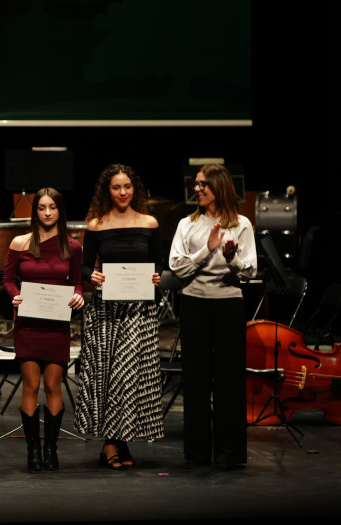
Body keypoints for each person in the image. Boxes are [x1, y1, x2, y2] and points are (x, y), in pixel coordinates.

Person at [73, 164, 164, 470]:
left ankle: (114, 443)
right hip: (105, 310)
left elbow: (160, 266)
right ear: (107, 191)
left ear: (134, 188)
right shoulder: (97, 224)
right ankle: (114, 443)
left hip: (139, 308)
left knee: (128, 375)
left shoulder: (149, 222)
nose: (123, 192)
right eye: (116, 187)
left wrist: (157, 278)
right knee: (107, 375)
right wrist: (93, 276)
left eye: (127, 186)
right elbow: (84, 267)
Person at [169, 164, 256, 470]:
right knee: (196, 379)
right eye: (196, 184)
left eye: (203, 184)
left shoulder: (241, 224)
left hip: (228, 305)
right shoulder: (186, 224)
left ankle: (229, 453)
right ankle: (197, 453)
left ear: (219, 187)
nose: (197, 189)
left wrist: (231, 258)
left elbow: (251, 269)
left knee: (229, 380)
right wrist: (206, 251)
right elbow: (177, 267)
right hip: (194, 304)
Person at [2, 188, 84, 472]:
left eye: (52, 207)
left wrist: (78, 296)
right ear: (34, 211)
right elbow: (8, 278)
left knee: (53, 386)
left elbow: (77, 283)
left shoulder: (72, 246)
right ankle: (32, 450)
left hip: (56, 324)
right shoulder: (20, 243)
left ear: (60, 211)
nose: (47, 213)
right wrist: (14, 294)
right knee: (31, 386)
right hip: (28, 324)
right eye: (41, 207)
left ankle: (51, 449)